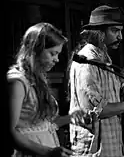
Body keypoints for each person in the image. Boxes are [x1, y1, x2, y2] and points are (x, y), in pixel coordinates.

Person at [67, 5, 124, 157]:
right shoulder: (87, 61)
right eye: (115, 31)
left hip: (110, 144)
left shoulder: (103, 58)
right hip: (95, 150)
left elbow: (113, 87)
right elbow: (96, 109)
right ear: (99, 33)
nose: (120, 37)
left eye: (121, 31)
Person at [8, 22, 87, 157]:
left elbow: (44, 125)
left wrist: (70, 118)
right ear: (35, 50)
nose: (56, 59)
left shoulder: (38, 79)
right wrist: (48, 152)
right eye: (52, 53)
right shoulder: (17, 82)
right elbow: (9, 132)